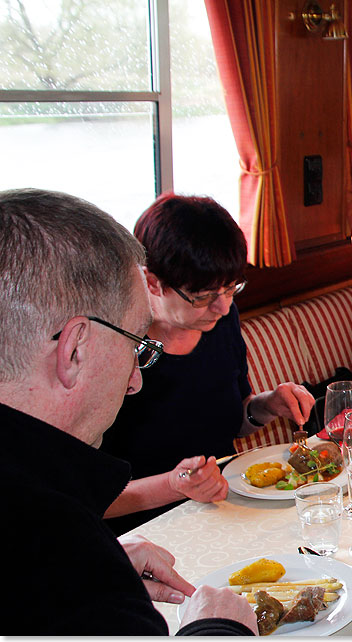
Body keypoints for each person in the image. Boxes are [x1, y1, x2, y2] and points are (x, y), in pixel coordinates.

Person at [0, 188, 256, 635]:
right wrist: (217, 629)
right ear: (74, 348)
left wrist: (104, 557)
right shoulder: (56, 543)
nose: (136, 380)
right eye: (137, 342)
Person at [100, 193, 315, 534]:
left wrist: (267, 405)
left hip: (228, 510)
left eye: (231, 289)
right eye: (203, 297)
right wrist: (173, 484)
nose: (223, 307)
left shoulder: (217, 321)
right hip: (147, 533)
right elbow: (87, 496)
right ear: (152, 282)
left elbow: (235, 421)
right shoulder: (112, 349)